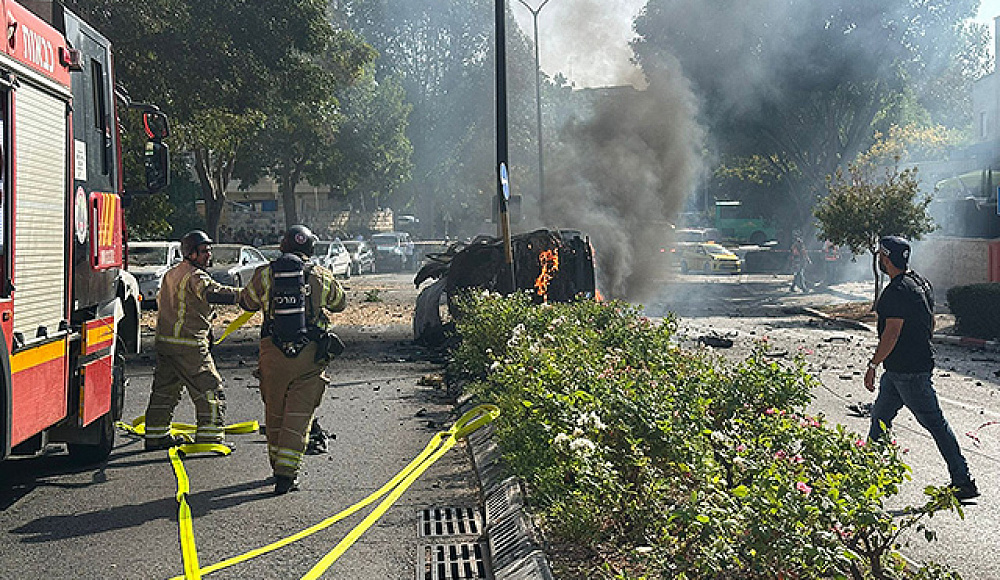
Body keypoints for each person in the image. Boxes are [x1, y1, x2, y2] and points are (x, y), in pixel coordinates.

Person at [864, 236, 978, 500]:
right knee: (880, 418)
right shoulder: (921, 283)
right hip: (899, 371)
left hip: (908, 373)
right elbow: (931, 321)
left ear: (885, 258)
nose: (880, 260)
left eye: (882, 256)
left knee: (935, 424)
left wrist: (872, 364)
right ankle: (866, 474)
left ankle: (963, 481)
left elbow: (891, 334)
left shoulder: (895, 292)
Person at [239, 225, 347, 494]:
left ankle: (276, 464)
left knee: (274, 412)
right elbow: (339, 302)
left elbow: (246, 302)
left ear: (282, 247)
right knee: (298, 416)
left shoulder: (264, 274)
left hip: (272, 354)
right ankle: (286, 475)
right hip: (309, 355)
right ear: (310, 248)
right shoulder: (320, 275)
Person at [144, 230, 242, 450]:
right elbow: (212, 293)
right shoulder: (196, 276)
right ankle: (210, 439)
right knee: (210, 389)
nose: (208, 255)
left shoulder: (171, 273)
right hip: (189, 345)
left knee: (164, 392)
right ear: (191, 253)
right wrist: (245, 296)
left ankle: (156, 436)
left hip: (165, 344)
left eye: (209, 250)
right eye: (203, 251)